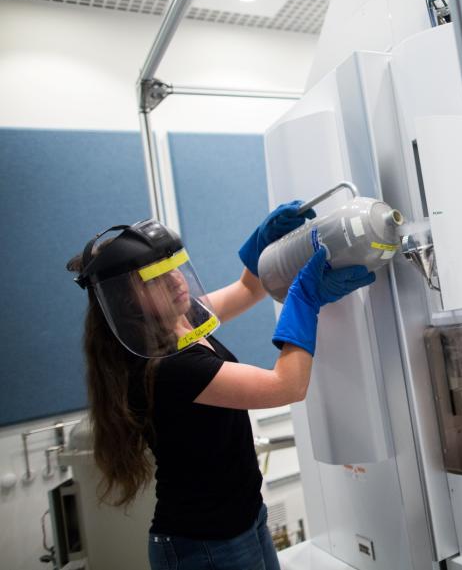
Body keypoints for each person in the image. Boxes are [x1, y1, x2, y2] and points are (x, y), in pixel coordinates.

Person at [66, 202, 375, 570]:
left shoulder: (183, 321)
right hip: (203, 544)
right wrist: (305, 301)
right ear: (125, 302)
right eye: (155, 278)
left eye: (173, 268)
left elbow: (247, 290)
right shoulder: (166, 367)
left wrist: (261, 245)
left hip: (244, 520)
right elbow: (286, 386)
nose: (175, 280)